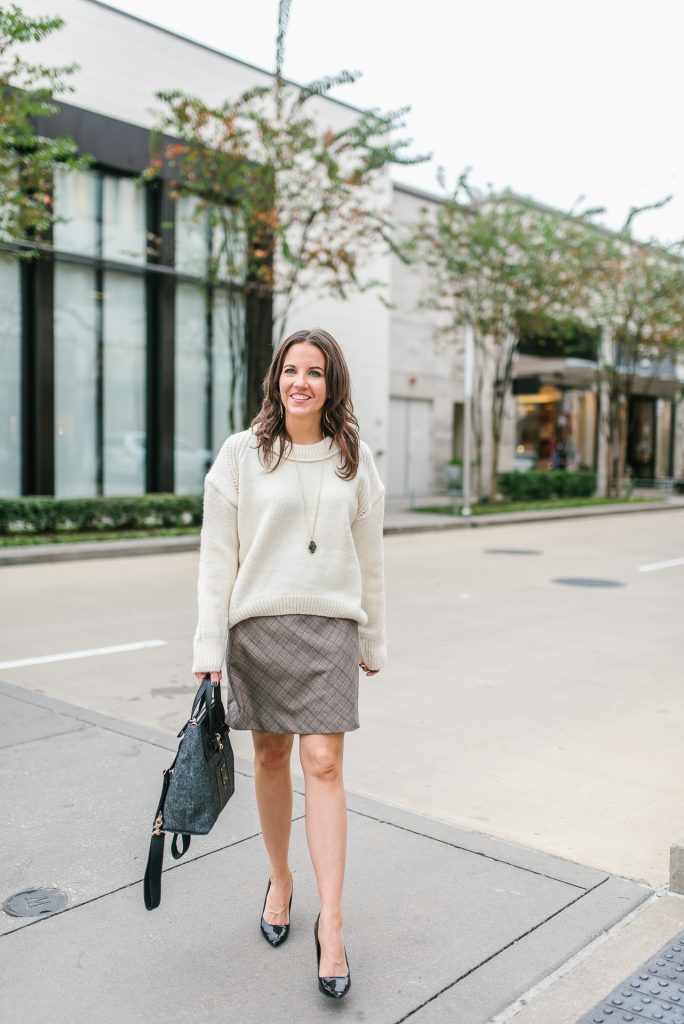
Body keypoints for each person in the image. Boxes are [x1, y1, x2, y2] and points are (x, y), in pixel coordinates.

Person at [191, 327, 386, 1000]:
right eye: (290, 370)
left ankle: (331, 925)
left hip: (329, 624)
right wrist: (205, 650)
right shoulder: (242, 454)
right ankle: (281, 876)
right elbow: (218, 560)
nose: (300, 381)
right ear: (276, 378)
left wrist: (374, 639)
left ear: (332, 384)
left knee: (325, 764)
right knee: (270, 758)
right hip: (257, 628)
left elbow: (372, 559)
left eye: (315, 371)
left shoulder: (352, 460)